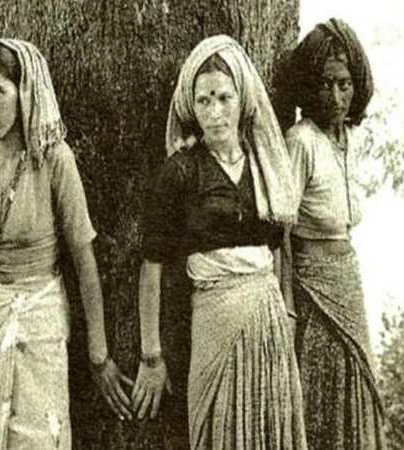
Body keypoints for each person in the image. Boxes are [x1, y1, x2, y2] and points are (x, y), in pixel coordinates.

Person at [0, 38, 132, 449]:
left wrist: (99, 355)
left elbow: (84, 259)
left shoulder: (53, 159)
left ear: (24, 91)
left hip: (37, 317)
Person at [134, 35, 307, 449]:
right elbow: (152, 265)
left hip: (268, 323)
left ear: (242, 99)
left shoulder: (265, 166)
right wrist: (151, 357)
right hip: (213, 319)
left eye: (224, 98)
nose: (214, 112)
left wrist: (286, 312)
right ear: (191, 106)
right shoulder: (181, 171)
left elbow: (278, 246)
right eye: (204, 100)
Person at [286, 18, 386, 449]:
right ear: (310, 86)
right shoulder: (301, 141)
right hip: (312, 286)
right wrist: (288, 299)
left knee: (358, 377)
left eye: (344, 84)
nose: (336, 96)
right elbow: (281, 227)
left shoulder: (349, 139)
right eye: (325, 84)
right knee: (322, 386)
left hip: (347, 277)